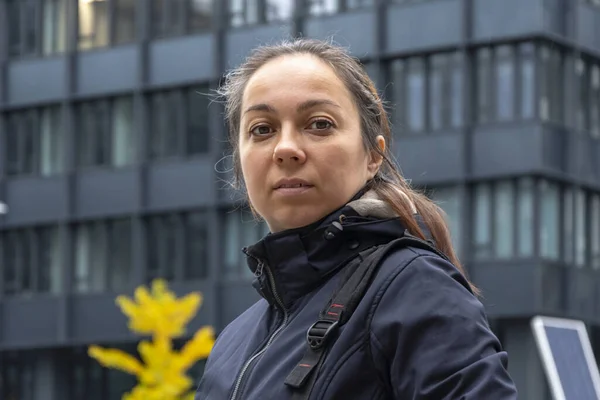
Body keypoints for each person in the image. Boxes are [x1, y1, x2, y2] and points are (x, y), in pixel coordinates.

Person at [196, 38, 518, 400]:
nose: (285, 148)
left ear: (373, 156)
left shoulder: (414, 287)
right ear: (240, 165)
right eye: (262, 129)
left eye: (319, 124)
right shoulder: (232, 342)